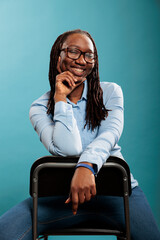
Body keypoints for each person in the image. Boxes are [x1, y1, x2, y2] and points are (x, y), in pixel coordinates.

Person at [0, 29, 160, 240]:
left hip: (118, 196)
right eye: (74, 52)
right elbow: (70, 148)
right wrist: (61, 99)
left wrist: (87, 166)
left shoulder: (111, 92)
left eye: (89, 55)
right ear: (59, 56)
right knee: (6, 231)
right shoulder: (39, 107)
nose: (82, 60)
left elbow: (110, 134)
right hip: (63, 199)